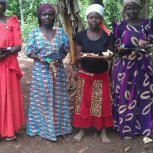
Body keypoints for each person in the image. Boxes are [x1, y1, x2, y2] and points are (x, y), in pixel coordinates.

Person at [25, 3, 72, 141]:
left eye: (50, 15)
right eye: (44, 15)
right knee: (41, 99)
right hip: (41, 71)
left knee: (59, 98)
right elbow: (28, 51)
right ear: (40, 17)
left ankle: (59, 128)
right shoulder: (34, 32)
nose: (47, 17)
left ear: (54, 17)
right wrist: (40, 58)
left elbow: (66, 49)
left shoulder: (61, 32)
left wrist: (59, 58)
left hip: (58, 70)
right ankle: (41, 128)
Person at [112, 0, 153, 139]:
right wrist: (121, 49)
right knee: (124, 95)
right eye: (128, 9)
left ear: (139, 8)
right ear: (125, 10)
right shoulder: (120, 25)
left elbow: (150, 41)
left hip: (142, 64)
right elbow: (116, 47)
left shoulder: (147, 23)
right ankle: (125, 126)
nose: (131, 11)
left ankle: (142, 127)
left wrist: (146, 45)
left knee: (143, 94)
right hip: (125, 65)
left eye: (134, 8)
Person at [73, 4, 114, 143]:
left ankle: (102, 131)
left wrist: (107, 57)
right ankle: (81, 130)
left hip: (101, 75)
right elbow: (77, 56)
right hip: (85, 74)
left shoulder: (108, 36)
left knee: (101, 102)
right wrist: (81, 56)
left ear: (101, 19)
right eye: (91, 17)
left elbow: (110, 54)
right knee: (83, 102)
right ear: (87, 19)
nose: (94, 20)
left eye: (97, 18)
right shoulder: (80, 35)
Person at [0, 0, 25, 140]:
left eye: (2, 2)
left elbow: (18, 45)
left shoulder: (12, 21)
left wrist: (7, 51)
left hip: (8, 63)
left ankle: (9, 129)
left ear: (6, 5)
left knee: (9, 95)